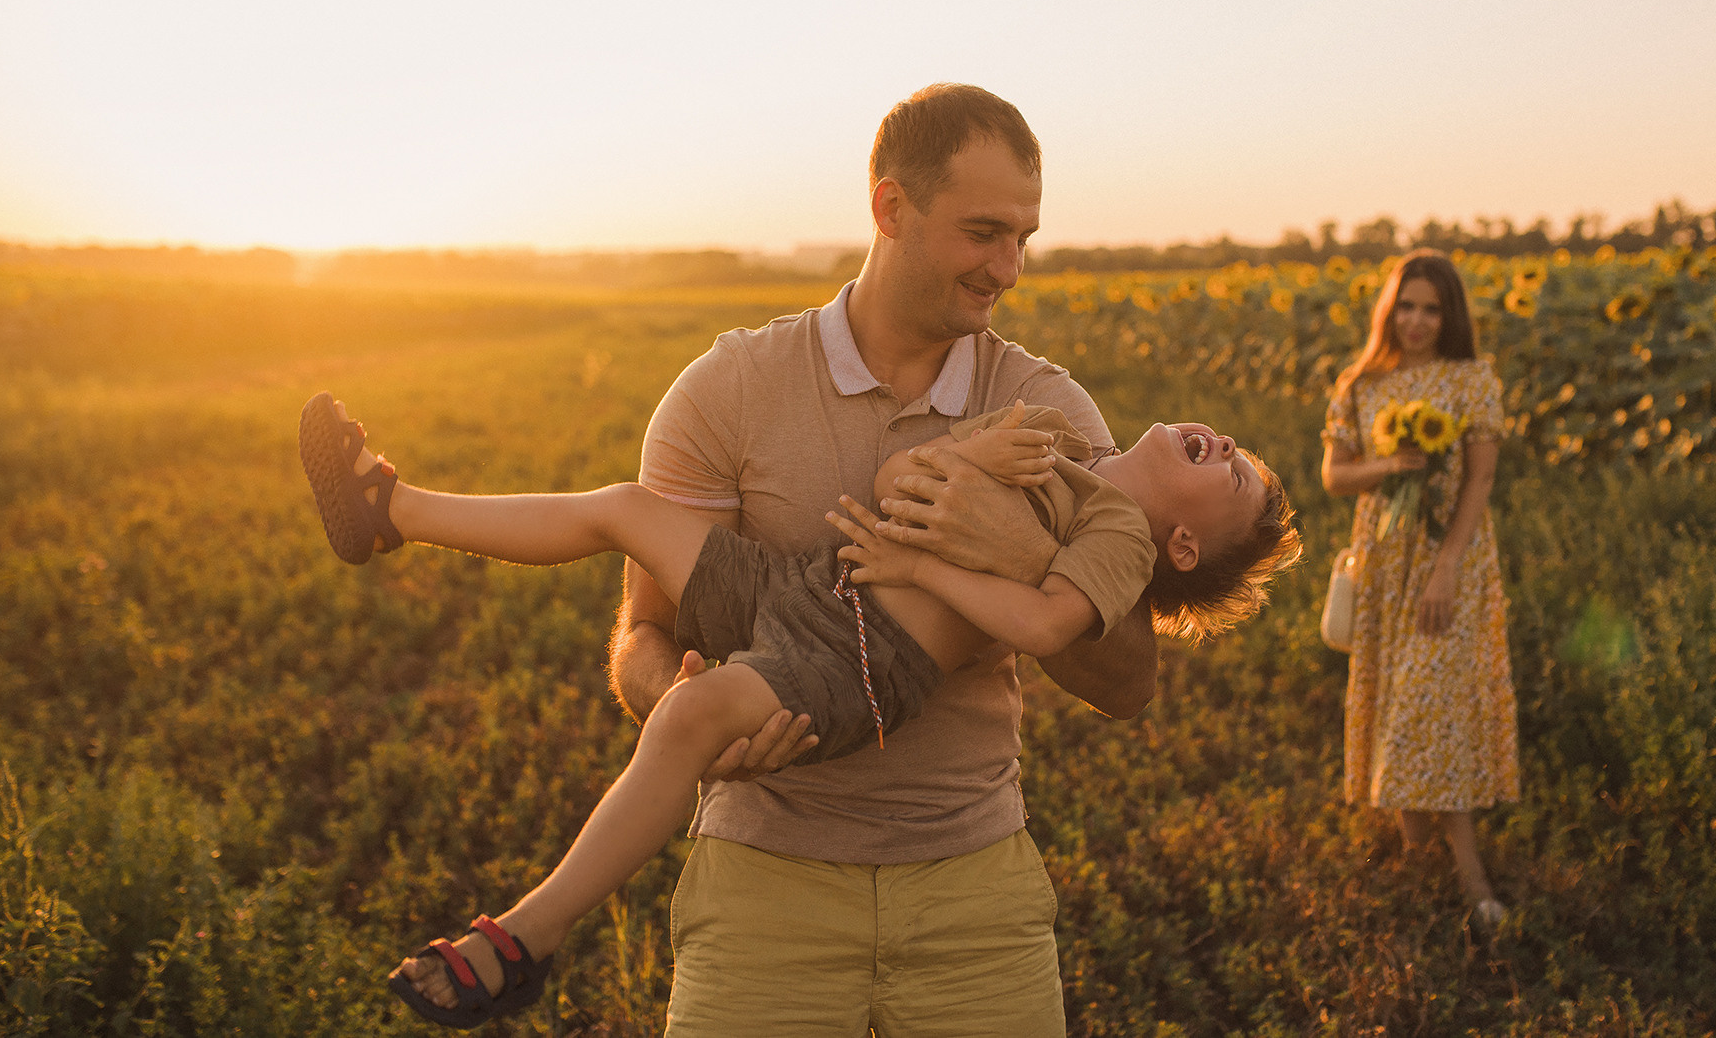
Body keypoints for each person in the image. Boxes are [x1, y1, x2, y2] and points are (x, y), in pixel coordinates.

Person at [298, 395, 1297, 1025]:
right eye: (1236, 450)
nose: (1227, 446)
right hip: (807, 584)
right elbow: (905, 476)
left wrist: (917, 560)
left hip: (865, 660)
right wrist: (964, 469)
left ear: (1180, 548)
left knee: (688, 719)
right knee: (623, 509)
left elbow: (1043, 626)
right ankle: (390, 511)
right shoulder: (1045, 431)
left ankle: (525, 937)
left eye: (1234, 476)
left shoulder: (1115, 529)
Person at [612, 84, 1161, 1034]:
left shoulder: (1049, 412)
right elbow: (643, 632)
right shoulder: (726, 389)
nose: (1009, 269)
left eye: (1024, 237)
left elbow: (1128, 682)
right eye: (984, 232)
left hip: (975, 888)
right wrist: (682, 705)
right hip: (761, 884)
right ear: (890, 207)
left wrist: (1025, 555)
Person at [1318, 249, 1519, 930]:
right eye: (1406, 305)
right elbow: (1334, 476)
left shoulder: (1471, 381)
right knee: (1393, 705)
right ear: (1389, 309)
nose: (1417, 320)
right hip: (1381, 559)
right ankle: (1414, 860)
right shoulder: (1360, 383)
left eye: (1432, 308)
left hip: (1448, 563)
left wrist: (1446, 567)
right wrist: (1388, 465)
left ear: (1450, 315)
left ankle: (1471, 877)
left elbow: (1480, 482)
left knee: (1431, 708)